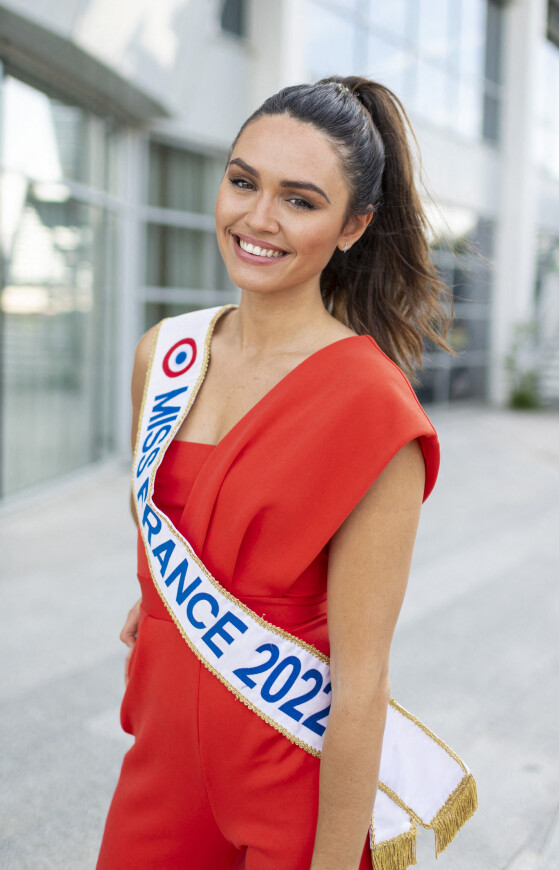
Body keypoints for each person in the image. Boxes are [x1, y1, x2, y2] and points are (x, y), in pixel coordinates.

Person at [97, 75, 456, 870]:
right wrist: (176, 596)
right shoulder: (165, 356)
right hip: (159, 770)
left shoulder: (373, 409)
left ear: (354, 226)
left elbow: (362, 684)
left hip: (293, 785)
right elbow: (171, 518)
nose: (257, 219)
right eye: (242, 181)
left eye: (300, 200)